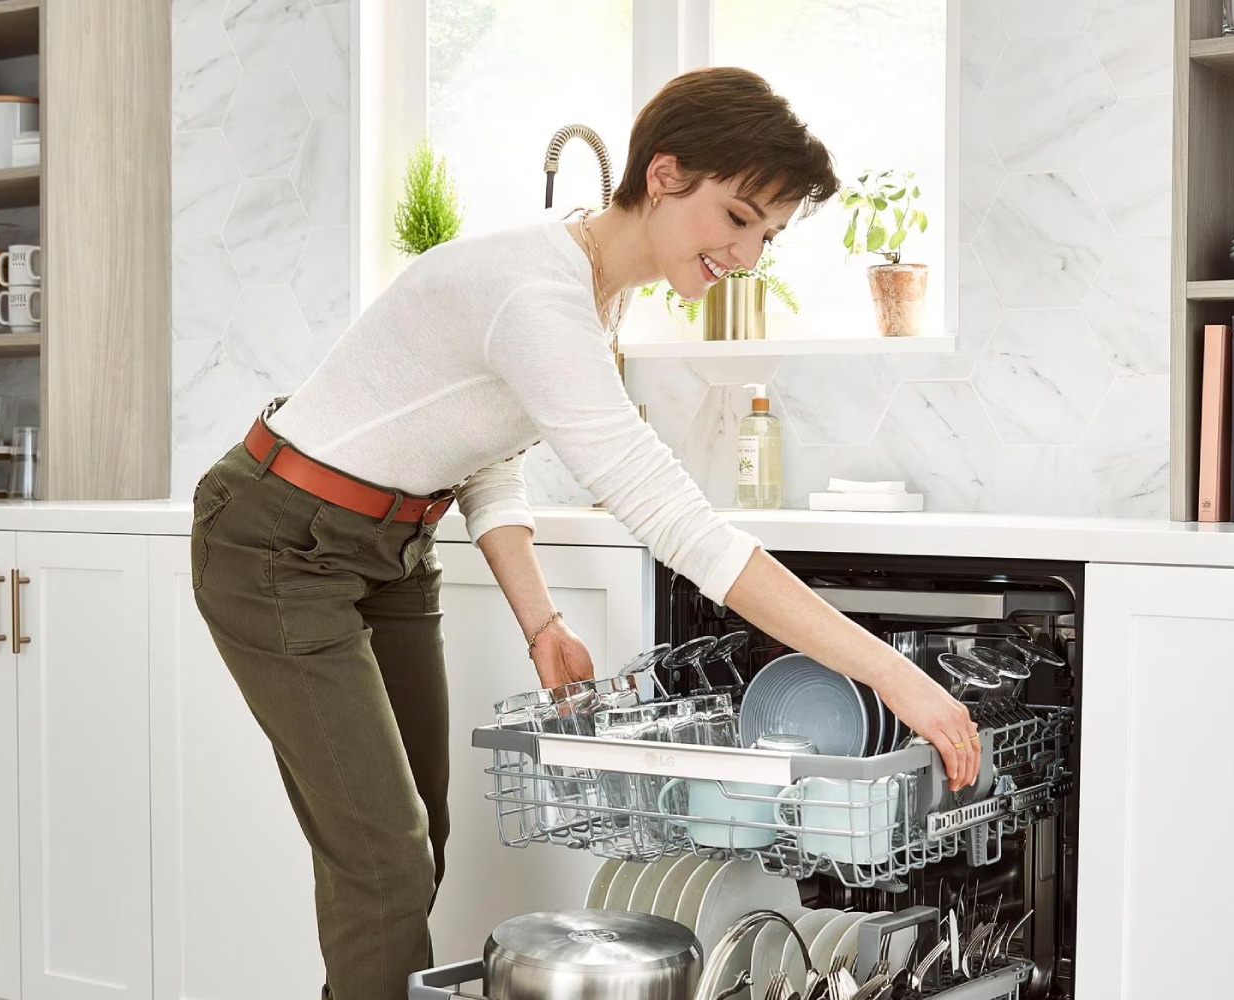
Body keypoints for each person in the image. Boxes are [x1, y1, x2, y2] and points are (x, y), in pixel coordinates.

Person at [188, 66, 979, 1000]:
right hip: (276, 542)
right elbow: (675, 521)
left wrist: (541, 623)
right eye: (737, 217)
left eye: (766, 235)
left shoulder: (597, 292)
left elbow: (485, 451)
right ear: (665, 174)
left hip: (391, 551)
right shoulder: (540, 292)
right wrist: (890, 672)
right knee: (386, 859)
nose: (748, 254)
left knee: (415, 842)